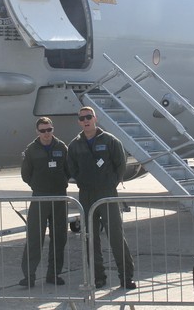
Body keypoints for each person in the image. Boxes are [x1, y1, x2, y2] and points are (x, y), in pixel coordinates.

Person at [67, 107, 136, 289]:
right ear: (79, 121)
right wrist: (82, 181)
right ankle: (98, 276)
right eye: (82, 118)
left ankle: (126, 276)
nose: (86, 120)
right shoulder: (75, 145)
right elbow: (72, 168)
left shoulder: (110, 141)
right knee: (90, 237)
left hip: (107, 194)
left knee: (115, 235)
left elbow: (120, 164)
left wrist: (111, 182)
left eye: (89, 117)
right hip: (86, 194)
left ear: (95, 118)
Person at [19, 117, 71, 287]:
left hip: (59, 197)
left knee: (59, 237)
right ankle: (29, 275)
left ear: (52, 129)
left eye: (49, 130)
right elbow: (26, 174)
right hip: (40, 196)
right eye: (43, 131)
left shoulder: (61, 147)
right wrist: (37, 185)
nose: (46, 134)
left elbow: (68, 169)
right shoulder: (31, 150)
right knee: (35, 236)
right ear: (37, 132)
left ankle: (53, 274)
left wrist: (60, 183)